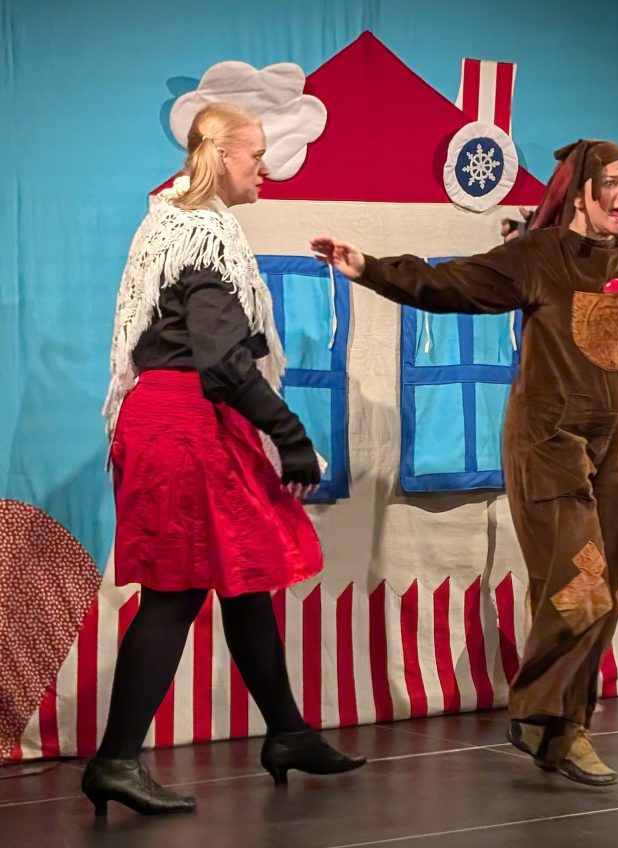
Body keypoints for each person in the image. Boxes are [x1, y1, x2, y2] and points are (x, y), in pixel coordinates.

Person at [311, 140, 618, 786]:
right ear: (581, 193)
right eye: (612, 182)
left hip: (612, 453)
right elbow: (451, 284)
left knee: (606, 594)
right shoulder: (539, 257)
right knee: (581, 586)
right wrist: (368, 269)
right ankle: (538, 713)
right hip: (547, 446)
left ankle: (562, 729)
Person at [83, 103, 365, 816]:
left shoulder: (172, 222)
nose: (264, 168)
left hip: (175, 417)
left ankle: (288, 733)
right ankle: (115, 760)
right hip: (183, 424)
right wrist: (290, 436)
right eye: (255, 156)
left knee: (240, 580)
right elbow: (222, 364)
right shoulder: (204, 236)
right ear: (221, 157)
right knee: (176, 592)